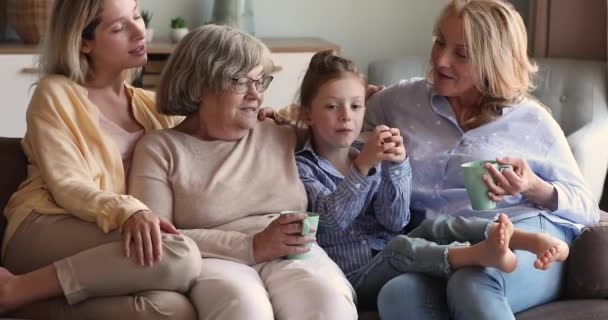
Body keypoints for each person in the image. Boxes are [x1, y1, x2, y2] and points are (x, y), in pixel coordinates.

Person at [363, 0, 600, 319]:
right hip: (450, 240)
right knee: (398, 294)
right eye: (439, 42)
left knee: (474, 281)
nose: (441, 60)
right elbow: (338, 116)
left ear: (494, 60)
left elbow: (587, 205)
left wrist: (533, 186)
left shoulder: (532, 121)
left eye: (462, 54)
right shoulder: (402, 100)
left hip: (525, 234)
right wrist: (286, 118)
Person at [294, 49, 571, 310]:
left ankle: (527, 239)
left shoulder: (367, 157)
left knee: (437, 225)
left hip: (394, 260)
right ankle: (475, 254)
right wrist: (363, 167)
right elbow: (330, 223)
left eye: (356, 106)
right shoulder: (302, 167)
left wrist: (397, 166)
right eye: (332, 107)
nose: (346, 116)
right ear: (306, 114)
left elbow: (394, 221)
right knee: (399, 247)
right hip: (355, 277)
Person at [127, 24, 357, 320]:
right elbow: (160, 238)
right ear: (199, 86)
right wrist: (252, 245)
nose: (256, 95)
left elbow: (342, 129)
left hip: (294, 248)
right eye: (240, 82)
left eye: (260, 82)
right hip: (215, 258)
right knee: (245, 308)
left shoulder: (277, 130)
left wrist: (371, 103)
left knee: (328, 301)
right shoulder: (161, 148)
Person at [0, 0, 202, 319]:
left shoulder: (154, 107)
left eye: (137, 16)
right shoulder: (55, 94)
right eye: (120, 27)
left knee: (173, 310)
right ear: (83, 42)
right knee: (180, 255)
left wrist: (267, 118)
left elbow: (205, 141)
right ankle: (16, 290)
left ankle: (27, 302)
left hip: (110, 236)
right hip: (44, 223)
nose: (139, 31)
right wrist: (129, 211)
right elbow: (68, 184)